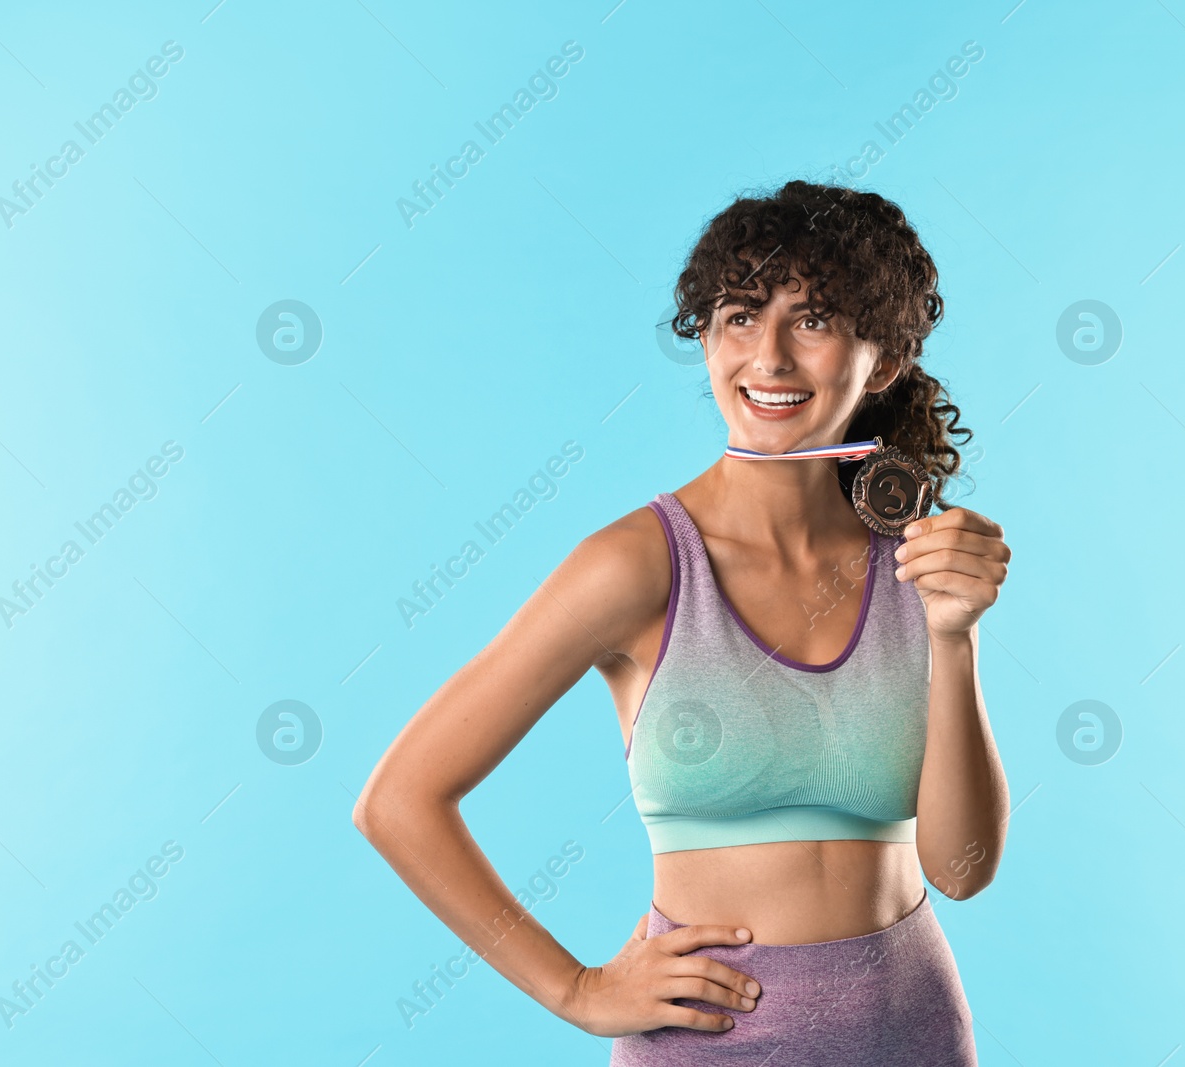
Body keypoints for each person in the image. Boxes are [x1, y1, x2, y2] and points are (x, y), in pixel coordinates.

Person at [354, 180, 1011, 1064]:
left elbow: (962, 870)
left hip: (915, 1035)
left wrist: (954, 636)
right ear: (704, 337)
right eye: (739, 317)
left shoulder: (915, 558)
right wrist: (576, 990)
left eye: (813, 320)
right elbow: (399, 800)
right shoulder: (636, 566)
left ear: (882, 359)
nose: (769, 357)